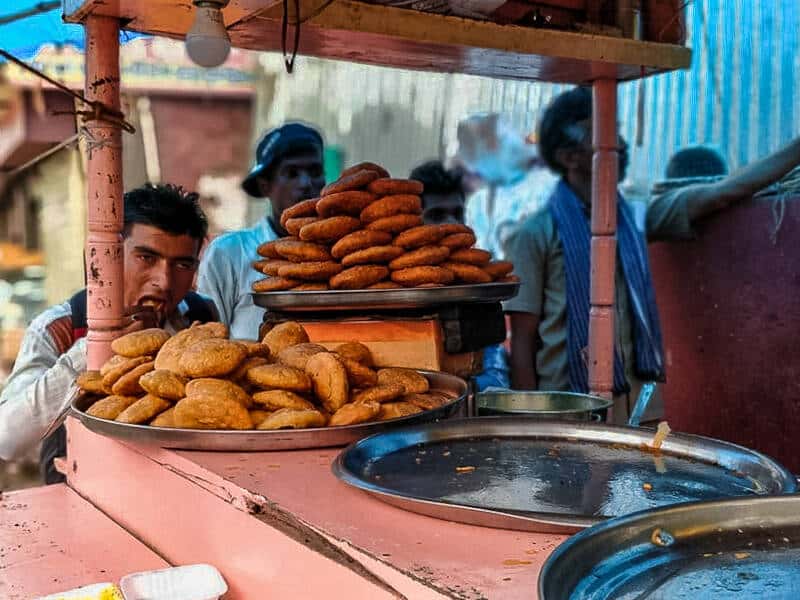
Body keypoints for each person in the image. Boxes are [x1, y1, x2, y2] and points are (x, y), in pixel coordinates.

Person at [504, 86, 800, 423]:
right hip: (567, 412)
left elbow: (719, 194)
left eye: (616, 130)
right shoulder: (535, 234)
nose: (621, 144)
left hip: (638, 408)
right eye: (601, 133)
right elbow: (522, 344)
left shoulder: (636, 217)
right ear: (568, 156)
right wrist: (528, 425)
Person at [0, 184, 216, 482]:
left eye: (182, 264)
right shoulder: (60, 327)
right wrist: (92, 350)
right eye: (146, 258)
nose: (164, 281)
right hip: (82, 494)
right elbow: (7, 439)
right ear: (107, 258)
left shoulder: (200, 318)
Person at [197, 123, 325, 340]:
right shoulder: (230, 253)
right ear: (265, 185)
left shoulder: (336, 257)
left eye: (314, 171)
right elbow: (208, 342)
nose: (306, 183)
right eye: (292, 173)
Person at [410, 160, 510, 391]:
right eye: (437, 215)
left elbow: (496, 372)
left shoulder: (477, 288)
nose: (452, 224)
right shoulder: (394, 287)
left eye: (457, 213)